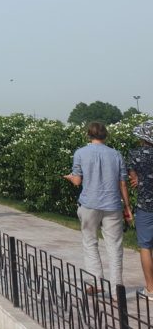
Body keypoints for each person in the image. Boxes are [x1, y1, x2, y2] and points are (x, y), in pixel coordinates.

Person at [63, 121, 132, 291]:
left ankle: (96, 283)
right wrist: (127, 207)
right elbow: (122, 183)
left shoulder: (80, 153)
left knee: (90, 242)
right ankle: (117, 290)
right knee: (115, 246)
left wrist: (70, 177)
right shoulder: (116, 155)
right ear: (105, 135)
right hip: (112, 204)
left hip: (89, 204)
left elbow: (77, 181)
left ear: (89, 135)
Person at [127, 119, 153, 299]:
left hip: (145, 205)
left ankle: (151, 289)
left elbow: (133, 180)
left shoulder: (135, 154)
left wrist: (139, 179)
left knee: (145, 246)